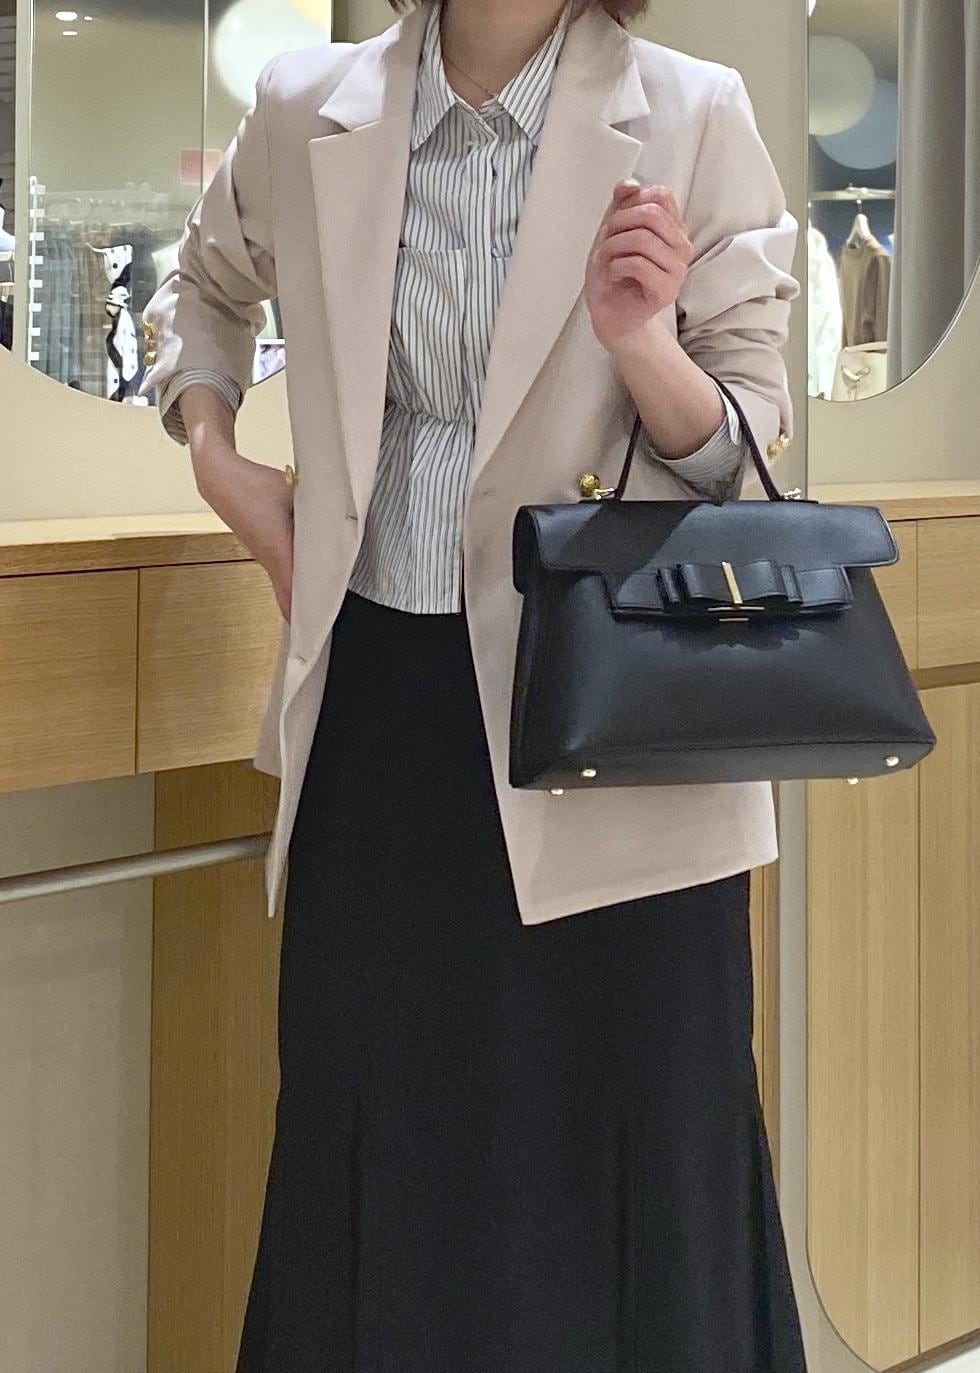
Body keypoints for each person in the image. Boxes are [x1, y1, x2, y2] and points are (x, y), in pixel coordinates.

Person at [140, 0, 806, 1366]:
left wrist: (646, 346)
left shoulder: (693, 113)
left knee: (636, 1142)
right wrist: (220, 462)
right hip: (381, 718)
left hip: (610, 719)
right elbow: (202, 289)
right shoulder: (308, 106)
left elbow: (752, 451)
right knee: (374, 1130)